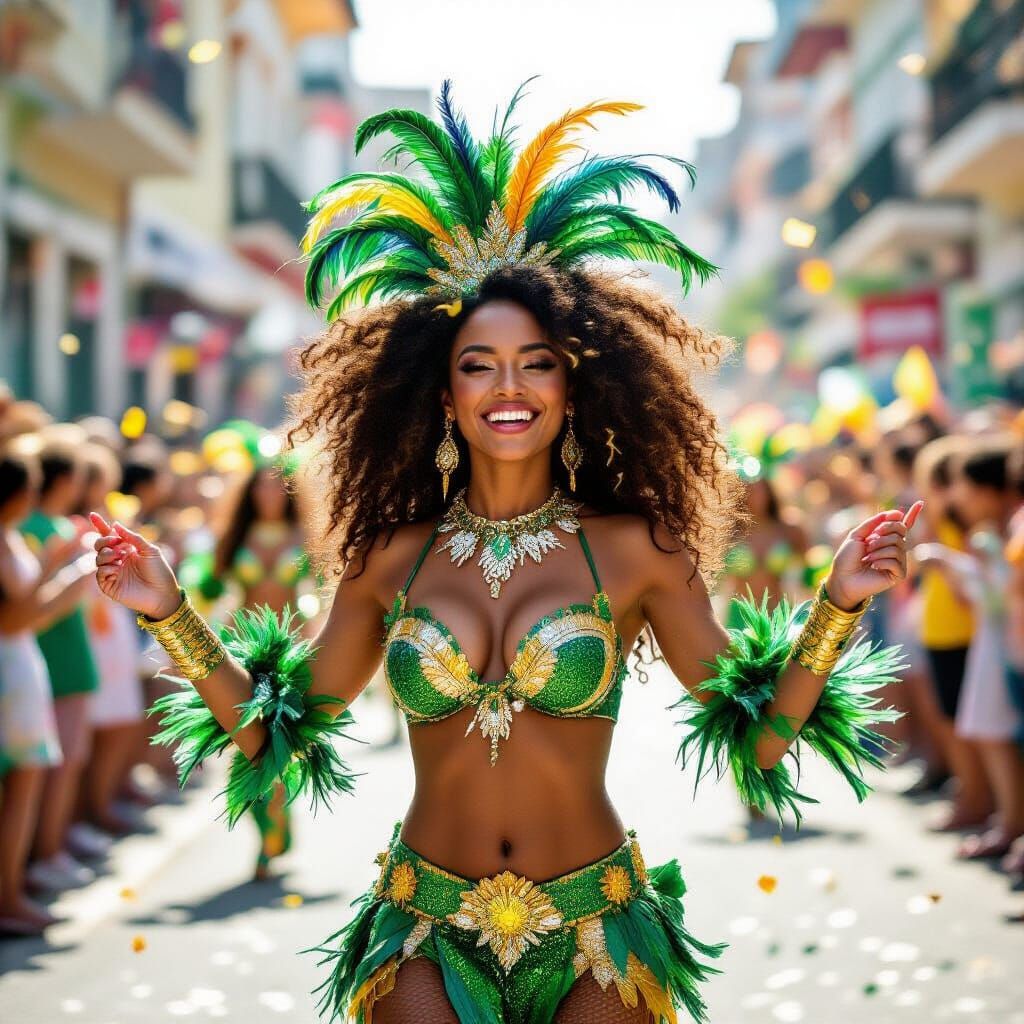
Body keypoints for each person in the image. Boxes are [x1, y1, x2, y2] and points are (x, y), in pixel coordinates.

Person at [90, 83, 921, 1024]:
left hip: (596, 928)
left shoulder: (637, 551)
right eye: (477, 365)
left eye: (537, 362)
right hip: (421, 925)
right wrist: (169, 611)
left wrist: (838, 606)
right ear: (441, 396)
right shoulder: (387, 561)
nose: (508, 387)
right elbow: (267, 736)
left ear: (575, 387)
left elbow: (763, 736)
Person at [179, 447, 313, 882]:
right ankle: (264, 836)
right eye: (261, 482)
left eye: (278, 482)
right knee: (247, 750)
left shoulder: (309, 536)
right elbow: (209, 591)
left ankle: (278, 824)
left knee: (285, 750)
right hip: (243, 658)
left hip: (292, 656)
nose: (270, 491)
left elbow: (336, 592)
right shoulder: (233, 538)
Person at [0, 444, 94, 933]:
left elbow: (29, 611)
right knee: (20, 786)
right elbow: (19, 618)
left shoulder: (13, 536)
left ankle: (11, 893)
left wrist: (62, 569)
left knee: (24, 785)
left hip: (18, 662)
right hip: (9, 668)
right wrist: (67, 572)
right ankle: (8, 898)